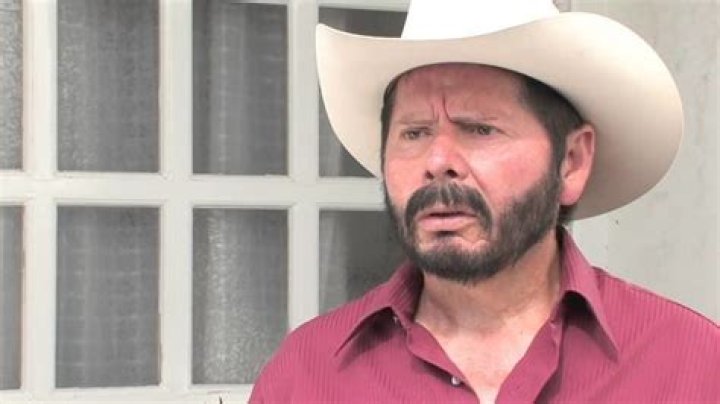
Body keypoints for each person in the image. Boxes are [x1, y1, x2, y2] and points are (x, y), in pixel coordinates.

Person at [250, 0, 719, 402]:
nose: (438, 162)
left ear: (572, 162)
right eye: (414, 133)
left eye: (479, 129)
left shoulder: (690, 366)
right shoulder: (307, 378)